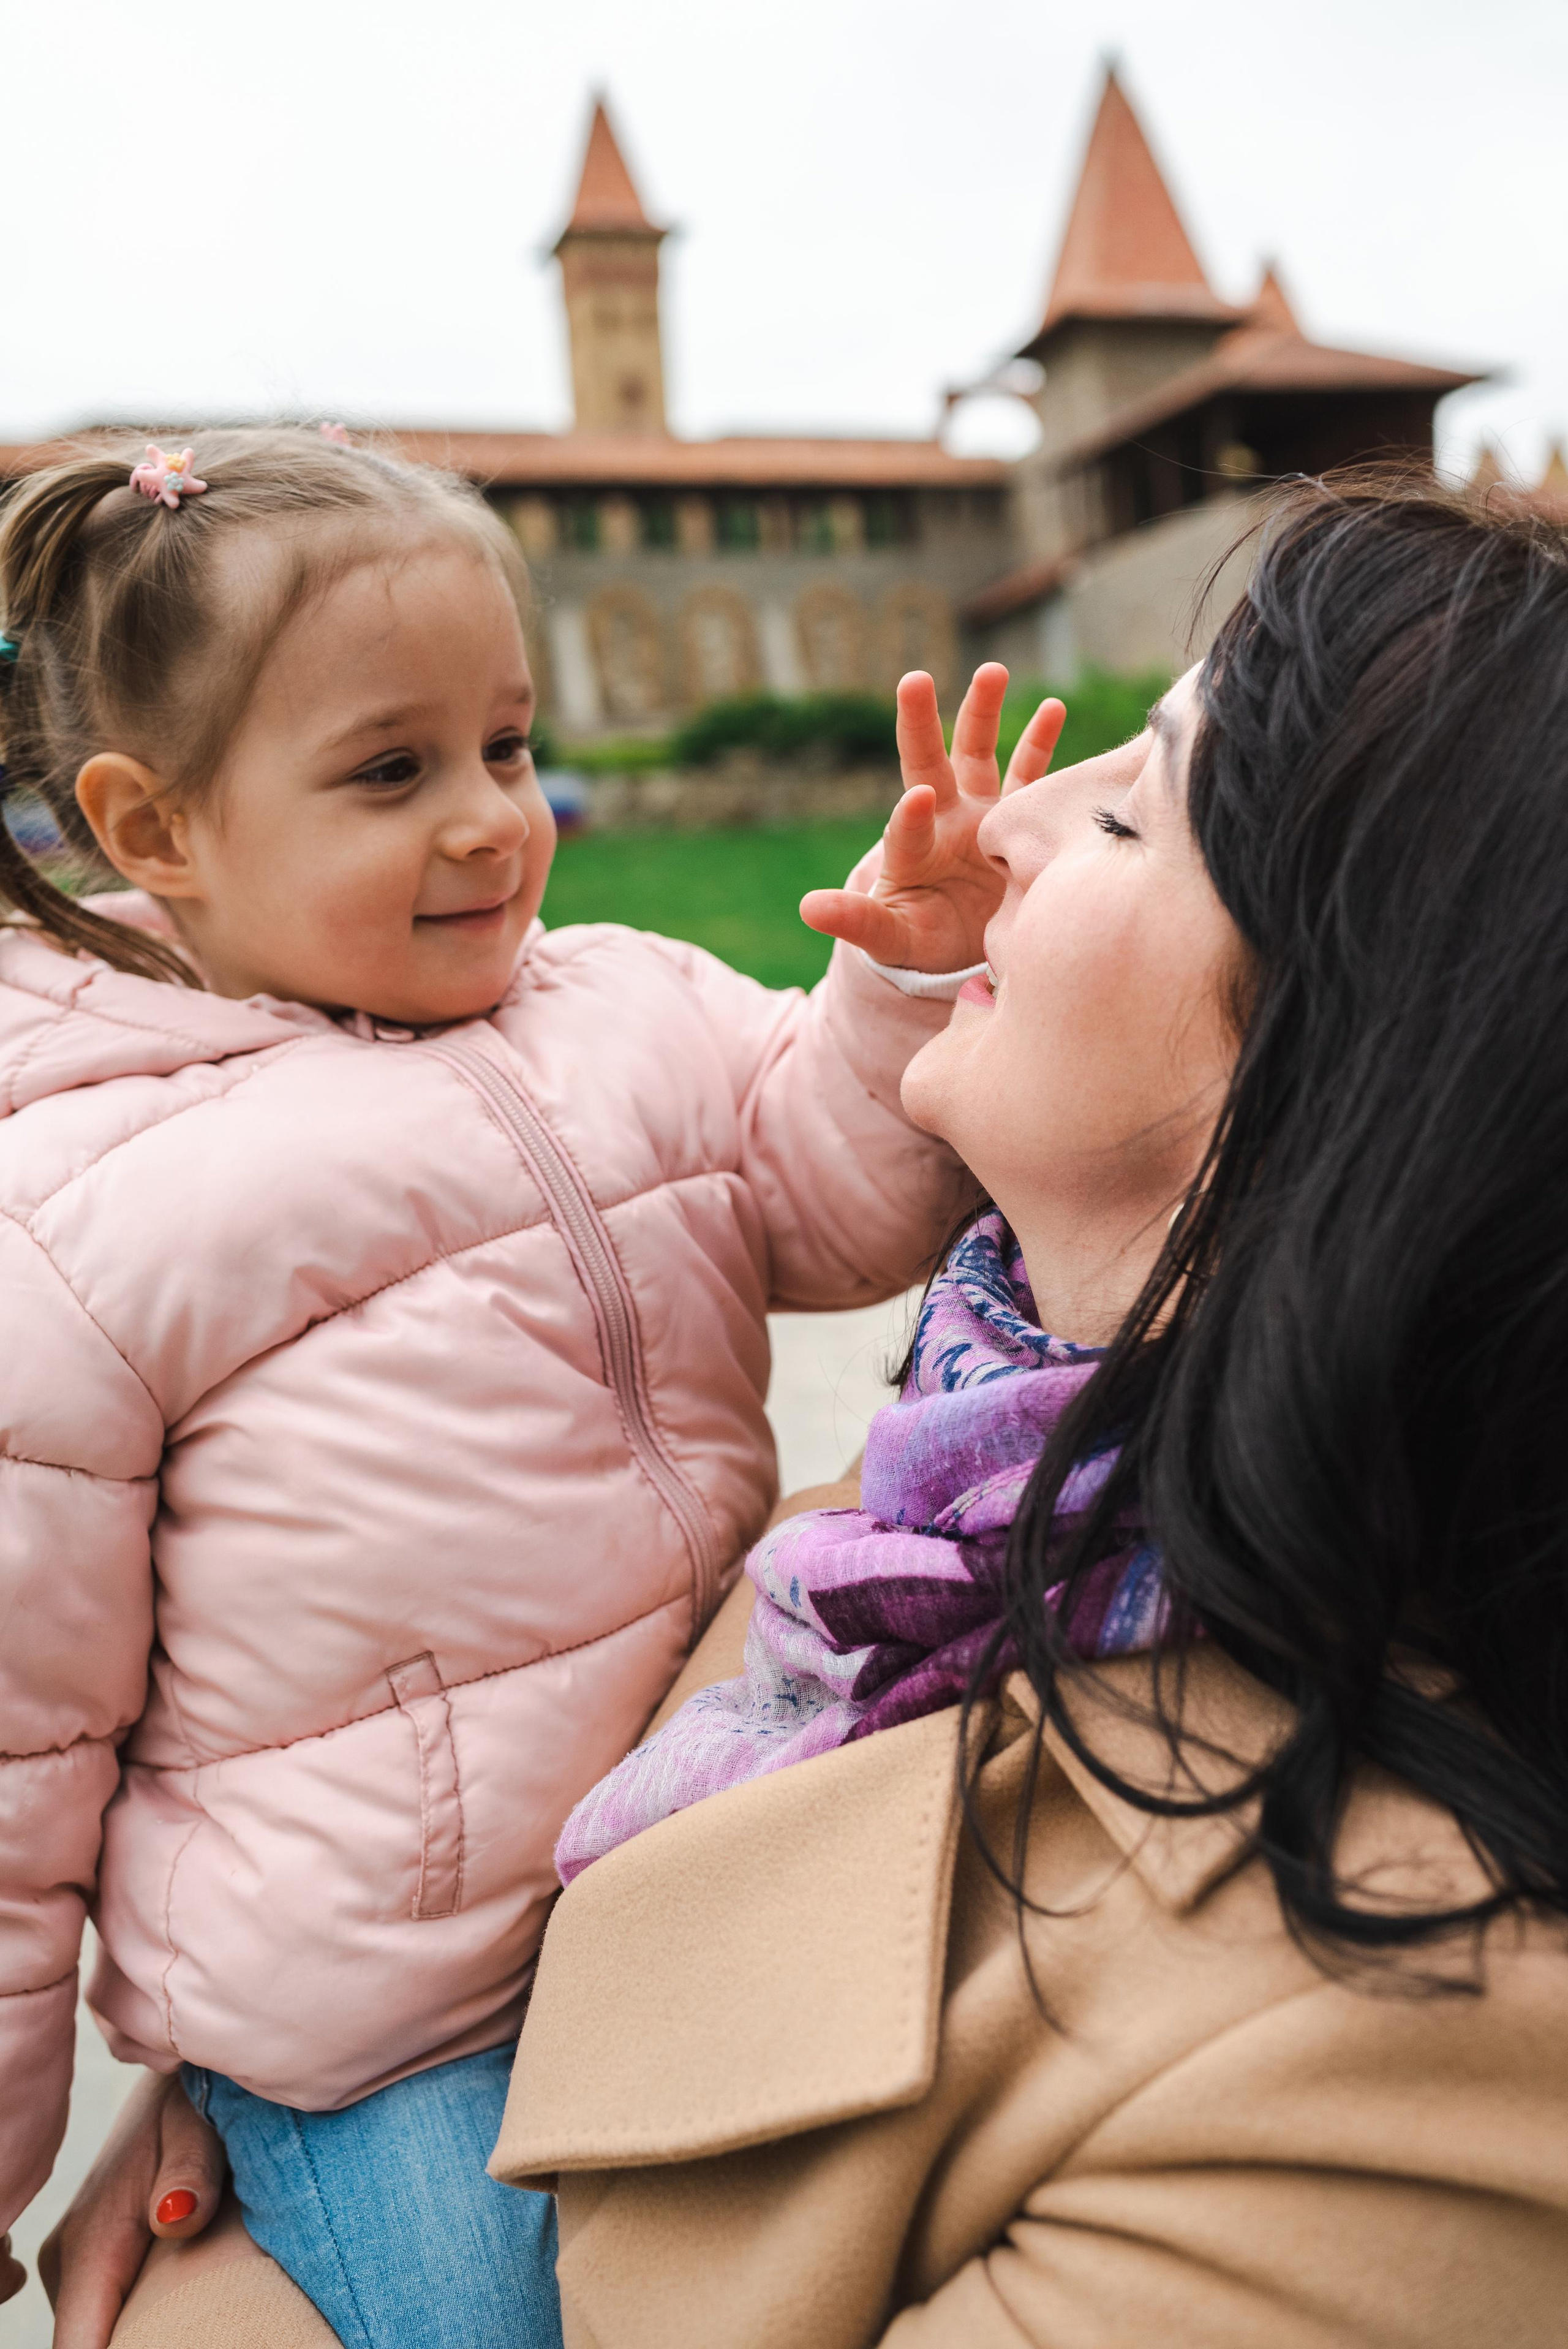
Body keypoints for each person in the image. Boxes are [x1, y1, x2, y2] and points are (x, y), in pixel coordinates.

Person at [481, 472, 1568, 2344]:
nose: (1008, 818)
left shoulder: (1405, 2038)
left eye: (1133, 804)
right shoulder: (942, 1490)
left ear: (1357, 1061)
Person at [0, 425, 1025, 2348]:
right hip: (388, 2020)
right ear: (156, 832)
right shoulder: (73, 1213)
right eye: (393, 771)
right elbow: (15, 1752)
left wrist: (889, 999)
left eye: (510, 743)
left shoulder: (626, 998)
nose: (492, 819)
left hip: (700, 1844)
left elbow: (831, 1210)